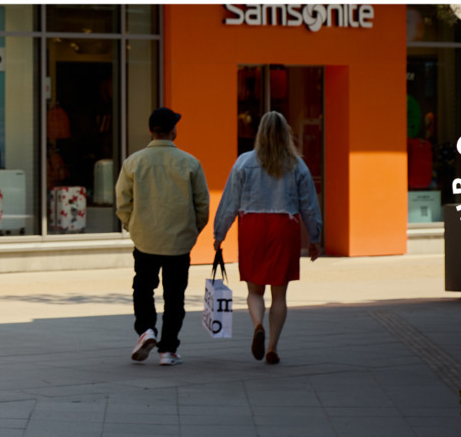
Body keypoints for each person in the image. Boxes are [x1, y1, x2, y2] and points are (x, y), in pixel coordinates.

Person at [211, 111, 322, 366]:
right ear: (286, 134)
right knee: (280, 295)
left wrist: (220, 234)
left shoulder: (244, 162)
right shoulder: (297, 165)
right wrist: (314, 236)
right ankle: (272, 347)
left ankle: (258, 324)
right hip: (285, 226)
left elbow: (230, 201)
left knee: (254, 289)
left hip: (253, 226)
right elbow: (309, 204)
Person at [115, 107, 210, 366]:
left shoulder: (134, 162)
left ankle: (146, 329)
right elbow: (202, 204)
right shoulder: (190, 163)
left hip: (145, 238)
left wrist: (131, 226)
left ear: (150, 131)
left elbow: (122, 202)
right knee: (175, 296)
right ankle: (168, 350)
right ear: (173, 130)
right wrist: (192, 230)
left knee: (143, 288)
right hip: (179, 242)